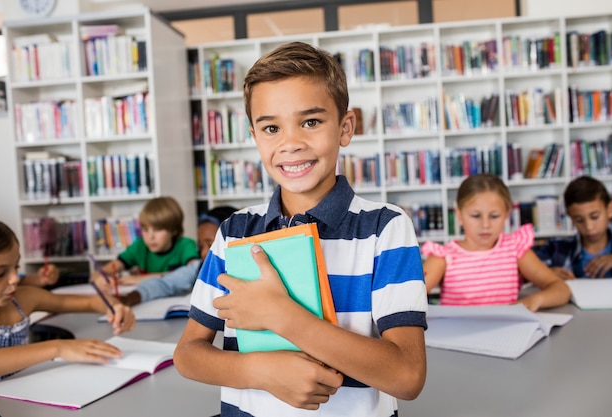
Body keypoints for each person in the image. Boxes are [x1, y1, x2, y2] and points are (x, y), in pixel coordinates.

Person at [173, 41, 428, 417]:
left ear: (345, 127)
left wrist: (283, 317)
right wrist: (261, 370)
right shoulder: (234, 232)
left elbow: (407, 377)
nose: (290, 143)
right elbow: (188, 354)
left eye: (310, 122)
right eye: (272, 127)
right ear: (254, 137)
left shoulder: (385, 229)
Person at [0, 220, 135, 381]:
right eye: (0, 273)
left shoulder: (22, 299)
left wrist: (115, 307)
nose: (15, 278)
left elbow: (90, 302)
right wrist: (59, 347)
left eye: (16, 267)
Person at [422, 174, 571, 312]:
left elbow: (561, 289)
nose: (485, 224)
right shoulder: (443, 257)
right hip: (456, 336)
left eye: (494, 216)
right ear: (459, 216)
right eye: (475, 216)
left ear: (506, 214)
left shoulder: (514, 248)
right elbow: (409, 296)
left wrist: (533, 300)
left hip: (505, 335)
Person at [120, 206, 238, 306]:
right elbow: (165, 283)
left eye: (211, 245)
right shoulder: (200, 267)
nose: (203, 253)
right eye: (201, 247)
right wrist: (128, 298)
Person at [92, 196, 200, 292]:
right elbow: (97, 274)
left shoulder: (186, 245)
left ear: (174, 230)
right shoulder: (139, 246)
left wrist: (141, 279)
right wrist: (100, 278)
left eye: (158, 229)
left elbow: (195, 273)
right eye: (145, 229)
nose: (150, 236)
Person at [535, 175, 612, 279]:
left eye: (594, 217)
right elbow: (518, 270)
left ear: (610, 209)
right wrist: (545, 274)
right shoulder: (556, 249)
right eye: (579, 220)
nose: (589, 227)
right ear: (570, 217)